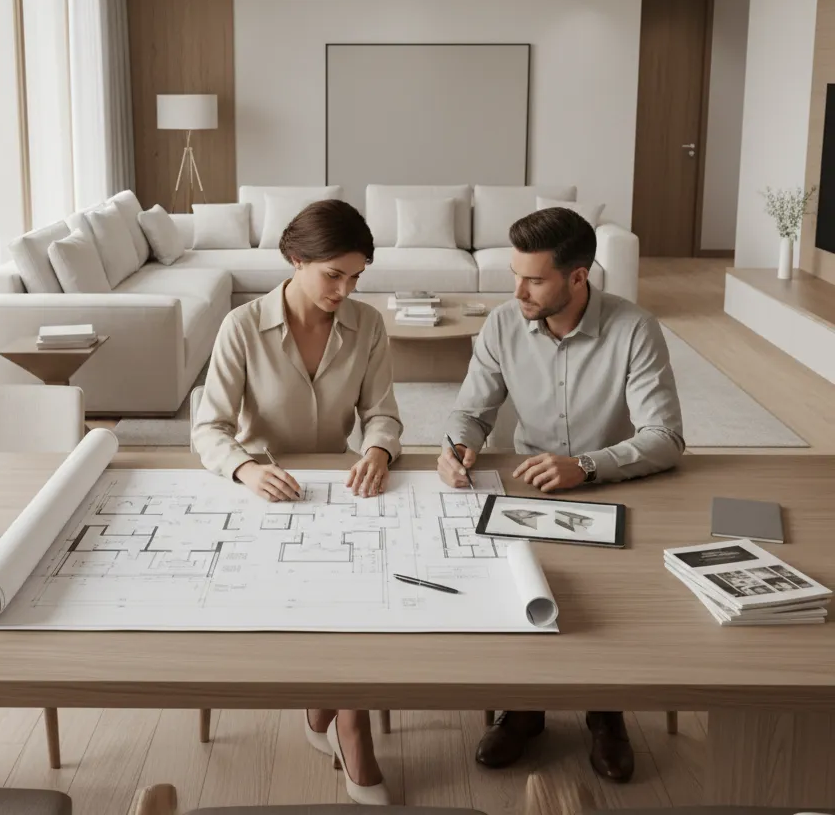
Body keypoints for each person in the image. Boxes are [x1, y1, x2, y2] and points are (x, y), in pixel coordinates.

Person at [437, 206, 684, 784]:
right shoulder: (501, 323)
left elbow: (665, 438)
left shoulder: (635, 328)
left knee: (608, 604)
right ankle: (524, 711)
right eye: (515, 274)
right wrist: (457, 446)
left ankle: (607, 715)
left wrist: (588, 467)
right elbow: (470, 410)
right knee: (523, 588)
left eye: (534, 278)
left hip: (616, 484)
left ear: (579, 276)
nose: (517, 289)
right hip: (529, 484)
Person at [193, 198, 401, 806]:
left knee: (365, 587)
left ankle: (339, 714)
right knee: (314, 594)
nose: (345, 288)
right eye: (333, 274)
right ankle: (343, 719)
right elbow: (208, 429)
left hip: (342, 488)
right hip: (263, 494)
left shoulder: (369, 325)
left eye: (356, 276)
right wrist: (246, 469)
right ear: (294, 259)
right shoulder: (241, 326)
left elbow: (382, 414)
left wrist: (380, 452)